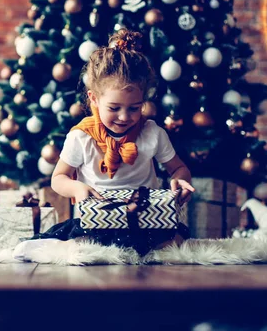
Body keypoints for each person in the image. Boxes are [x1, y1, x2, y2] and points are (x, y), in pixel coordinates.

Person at [14, 29, 194, 259]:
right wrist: (78, 188)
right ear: (94, 99)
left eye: (134, 108)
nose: (124, 116)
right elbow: (58, 179)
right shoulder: (81, 137)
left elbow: (179, 169)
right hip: (97, 220)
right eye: (114, 108)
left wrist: (180, 180)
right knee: (82, 244)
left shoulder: (153, 133)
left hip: (144, 220)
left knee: (174, 242)